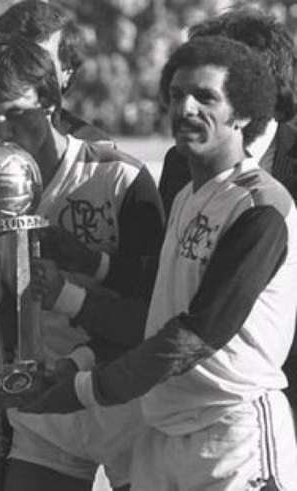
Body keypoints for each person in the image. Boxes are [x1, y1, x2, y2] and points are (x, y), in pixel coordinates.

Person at [26, 35, 297, 490]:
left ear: (244, 112)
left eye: (206, 97)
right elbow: (161, 305)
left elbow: (195, 333)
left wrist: (85, 389)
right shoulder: (191, 193)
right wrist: (88, 266)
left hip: (232, 434)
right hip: (163, 429)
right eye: (176, 95)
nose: (186, 108)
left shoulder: (261, 207)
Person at [0, 35, 164, 491]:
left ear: (49, 100)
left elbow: (153, 304)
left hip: (124, 398)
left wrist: (76, 286)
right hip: (42, 407)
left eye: (14, 113)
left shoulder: (115, 175)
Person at [155, 7, 297, 414]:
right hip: (190, 389)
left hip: (267, 391)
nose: (187, 107)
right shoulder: (180, 162)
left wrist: (91, 386)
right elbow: (167, 273)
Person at [0, 0, 110, 143]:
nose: (23, 72)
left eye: (38, 60)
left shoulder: (93, 156)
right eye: (13, 59)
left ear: (67, 72)